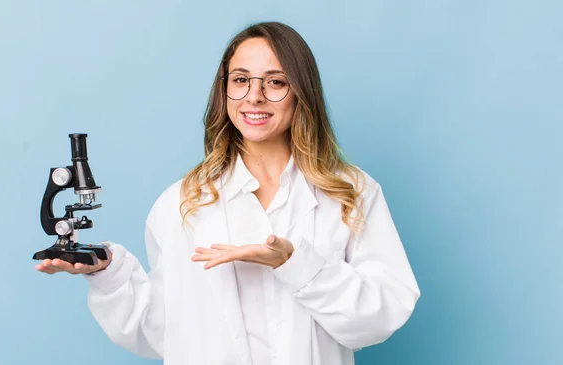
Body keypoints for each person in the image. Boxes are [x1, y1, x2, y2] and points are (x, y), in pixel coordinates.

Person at [35, 21, 421, 365]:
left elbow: (381, 317)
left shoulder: (350, 192)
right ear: (224, 91)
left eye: (275, 81)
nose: (254, 97)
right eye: (240, 80)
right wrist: (108, 273)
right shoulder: (182, 203)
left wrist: (296, 264)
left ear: (301, 92)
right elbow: (163, 332)